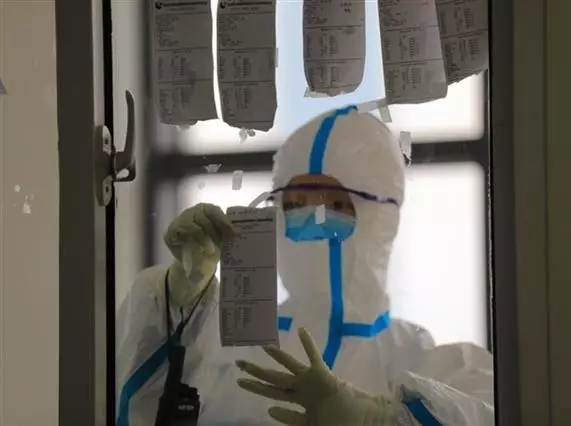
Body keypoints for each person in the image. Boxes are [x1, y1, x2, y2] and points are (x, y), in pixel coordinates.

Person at [116, 105, 495, 425]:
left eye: (331, 206)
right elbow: (136, 403)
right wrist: (179, 300)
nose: (309, 223)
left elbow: (493, 412)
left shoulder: (423, 362)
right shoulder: (229, 350)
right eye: (294, 207)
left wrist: (376, 419)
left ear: (382, 217)